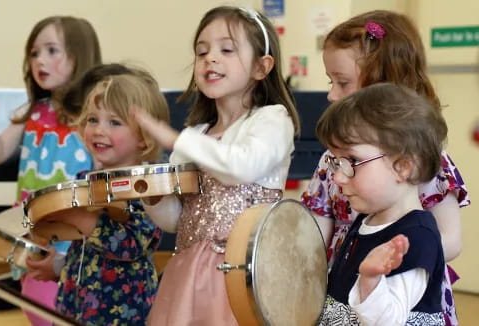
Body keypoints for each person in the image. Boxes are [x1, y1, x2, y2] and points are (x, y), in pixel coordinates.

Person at [131, 6, 300, 325]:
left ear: (261, 67)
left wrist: (173, 139)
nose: (210, 58)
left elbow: (241, 167)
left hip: (247, 275)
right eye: (201, 51)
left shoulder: (272, 121)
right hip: (190, 273)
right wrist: (153, 196)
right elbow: (177, 221)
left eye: (227, 49)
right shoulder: (195, 135)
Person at [301, 10, 469, 325]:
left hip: (400, 292)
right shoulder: (331, 159)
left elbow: (450, 239)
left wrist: (394, 262)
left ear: (385, 88)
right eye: (330, 81)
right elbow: (315, 230)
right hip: (344, 285)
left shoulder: (430, 162)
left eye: (342, 82)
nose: (331, 94)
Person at [0, 15, 102, 326]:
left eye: (52, 50)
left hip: (75, 238)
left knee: (65, 310)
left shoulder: (91, 115)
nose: (40, 60)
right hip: (34, 235)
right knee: (37, 306)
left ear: (79, 56)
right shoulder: (32, 112)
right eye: (34, 53)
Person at [28, 68, 169, 325]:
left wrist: (81, 218)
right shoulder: (87, 179)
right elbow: (84, 247)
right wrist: (60, 266)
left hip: (121, 313)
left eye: (114, 122)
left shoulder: (146, 185)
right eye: (93, 119)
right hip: (75, 305)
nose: (98, 130)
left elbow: (132, 246)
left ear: (144, 136)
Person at [316, 83, 447, 325]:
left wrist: (369, 280)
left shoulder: (416, 236)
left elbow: (389, 320)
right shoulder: (366, 220)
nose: (337, 176)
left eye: (352, 160)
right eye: (337, 162)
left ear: (403, 167)